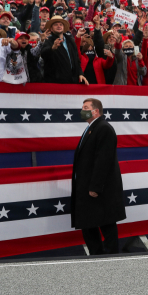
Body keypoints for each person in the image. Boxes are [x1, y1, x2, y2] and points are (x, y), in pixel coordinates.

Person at [72, 98, 126, 255]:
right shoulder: (92, 128)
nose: (82, 110)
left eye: (86, 107)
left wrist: (95, 187)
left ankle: (112, 257)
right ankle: (97, 255)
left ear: (96, 111)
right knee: (88, 222)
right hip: (87, 186)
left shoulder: (104, 128)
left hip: (99, 188)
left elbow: (103, 160)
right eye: (82, 107)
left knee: (106, 222)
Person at [41, 15, 89, 85]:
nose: (59, 26)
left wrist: (80, 73)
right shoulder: (48, 41)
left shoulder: (70, 41)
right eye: (55, 25)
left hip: (72, 81)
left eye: (61, 24)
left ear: (63, 28)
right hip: (55, 83)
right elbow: (43, 54)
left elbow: (76, 59)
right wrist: (52, 48)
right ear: (51, 29)